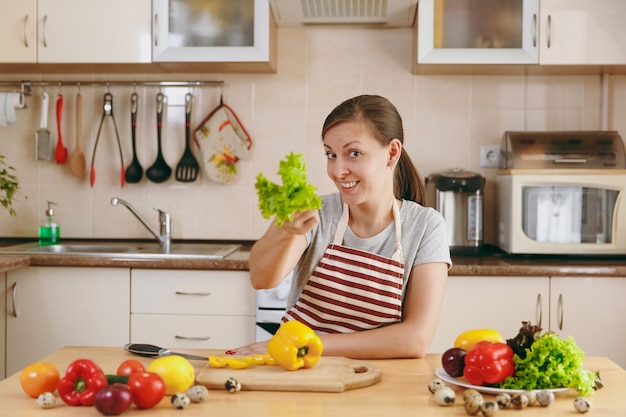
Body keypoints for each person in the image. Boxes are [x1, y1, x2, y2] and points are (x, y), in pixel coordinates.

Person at [234, 94, 451, 359]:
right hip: (302, 371)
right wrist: (283, 230)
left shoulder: (425, 226)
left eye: (354, 154)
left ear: (392, 153)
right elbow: (262, 279)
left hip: (378, 379)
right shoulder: (318, 213)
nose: (338, 170)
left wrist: (312, 345)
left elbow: (415, 340)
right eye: (331, 154)